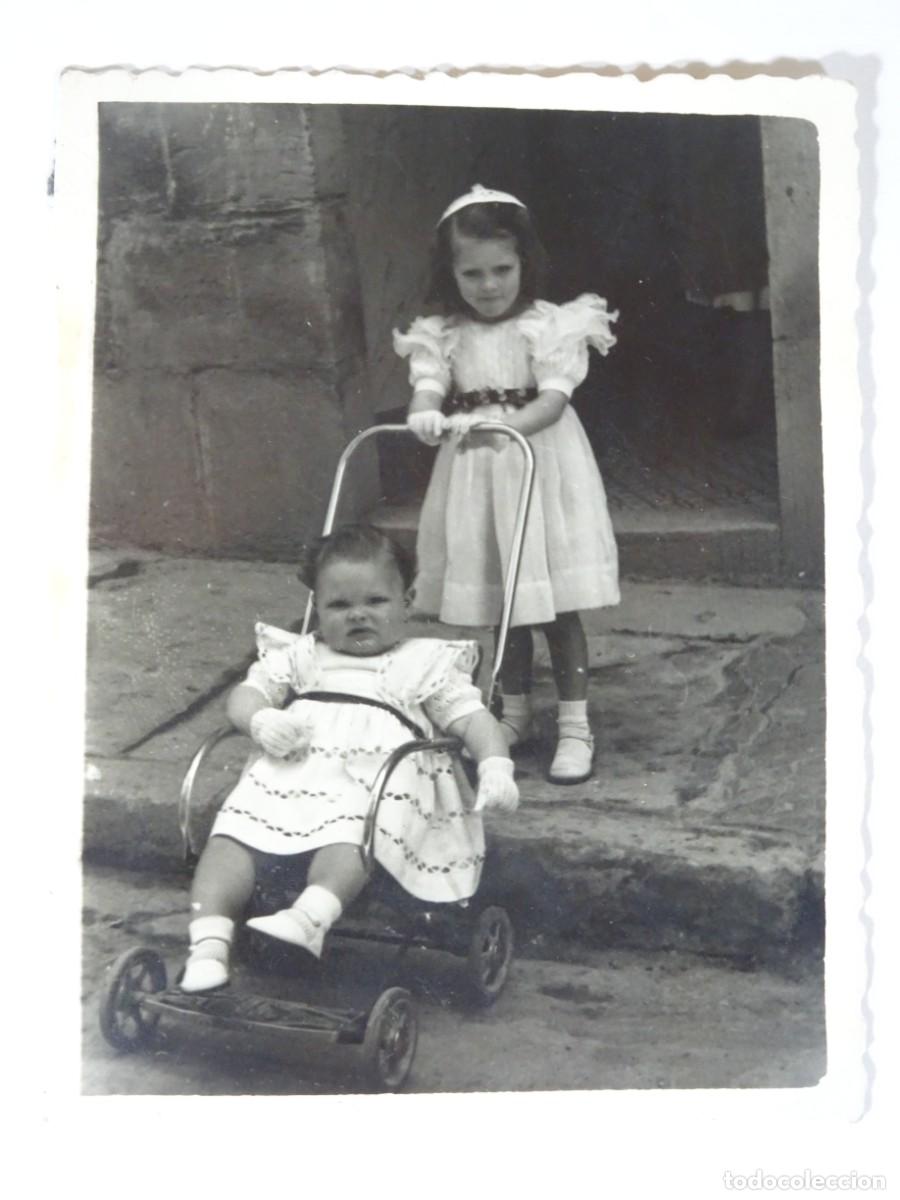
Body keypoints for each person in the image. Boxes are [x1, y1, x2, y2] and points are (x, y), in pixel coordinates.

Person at [180, 524, 518, 994]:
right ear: (317, 607)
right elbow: (247, 694)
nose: (358, 616)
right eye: (339, 605)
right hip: (290, 777)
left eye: (376, 602)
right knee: (231, 837)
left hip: (375, 783)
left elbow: (473, 720)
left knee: (351, 834)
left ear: (408, 600)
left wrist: (495, 764)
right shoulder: (302, 657)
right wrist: (259, 721)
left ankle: (309, 917)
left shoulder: (424, 664)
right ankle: (209, 948)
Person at [393, 183, 620, 786]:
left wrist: (505, 428)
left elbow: (551, 401)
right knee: (503, 603)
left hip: (539, 466)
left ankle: (575, 726)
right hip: (477, 475)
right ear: (452, 273)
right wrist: (426, 412)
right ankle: (511, 710)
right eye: (472, 274)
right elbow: (429, 386)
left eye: (502, 270)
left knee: (554, 604)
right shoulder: (441, 334)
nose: (489, 286)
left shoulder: (549, 326)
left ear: (525, 263)